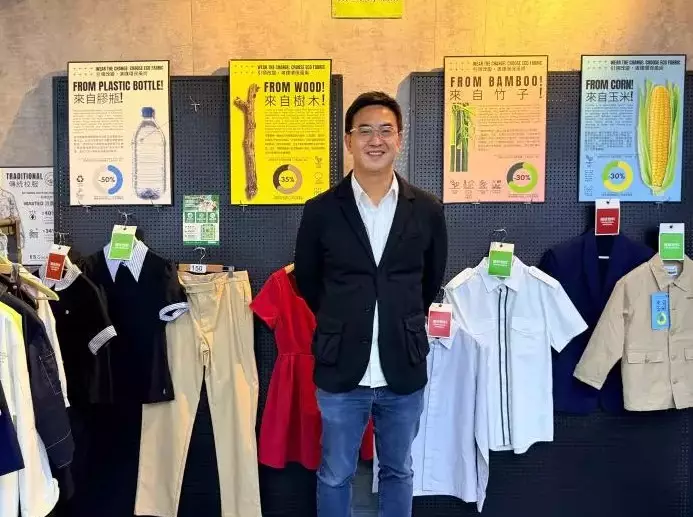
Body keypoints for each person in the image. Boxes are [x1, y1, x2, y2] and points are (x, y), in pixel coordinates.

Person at [294, 91, 448, 516]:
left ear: (400, 139)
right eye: (365, 131)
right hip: (341, 366)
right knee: (335, 473)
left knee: (399, 470)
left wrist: (397, 314)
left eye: (385, 130)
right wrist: (343, 317)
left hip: (403, 365)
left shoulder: (427, 210)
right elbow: (308, 281)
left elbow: (430, 281)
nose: (375, 140)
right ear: (348, 140)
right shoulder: (321, 210)